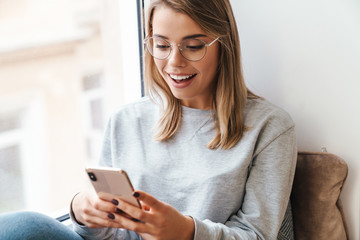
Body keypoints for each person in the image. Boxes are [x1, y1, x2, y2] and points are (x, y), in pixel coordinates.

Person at [0, 0, 297, 239]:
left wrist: (187, 232)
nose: (174, 62)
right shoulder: (126, 120)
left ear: (224, 45)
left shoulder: (269, 128)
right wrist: (84, 213)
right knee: (20, 226)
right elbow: (107, 234)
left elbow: (257, 234)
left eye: (193, 46)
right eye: (162, 45)